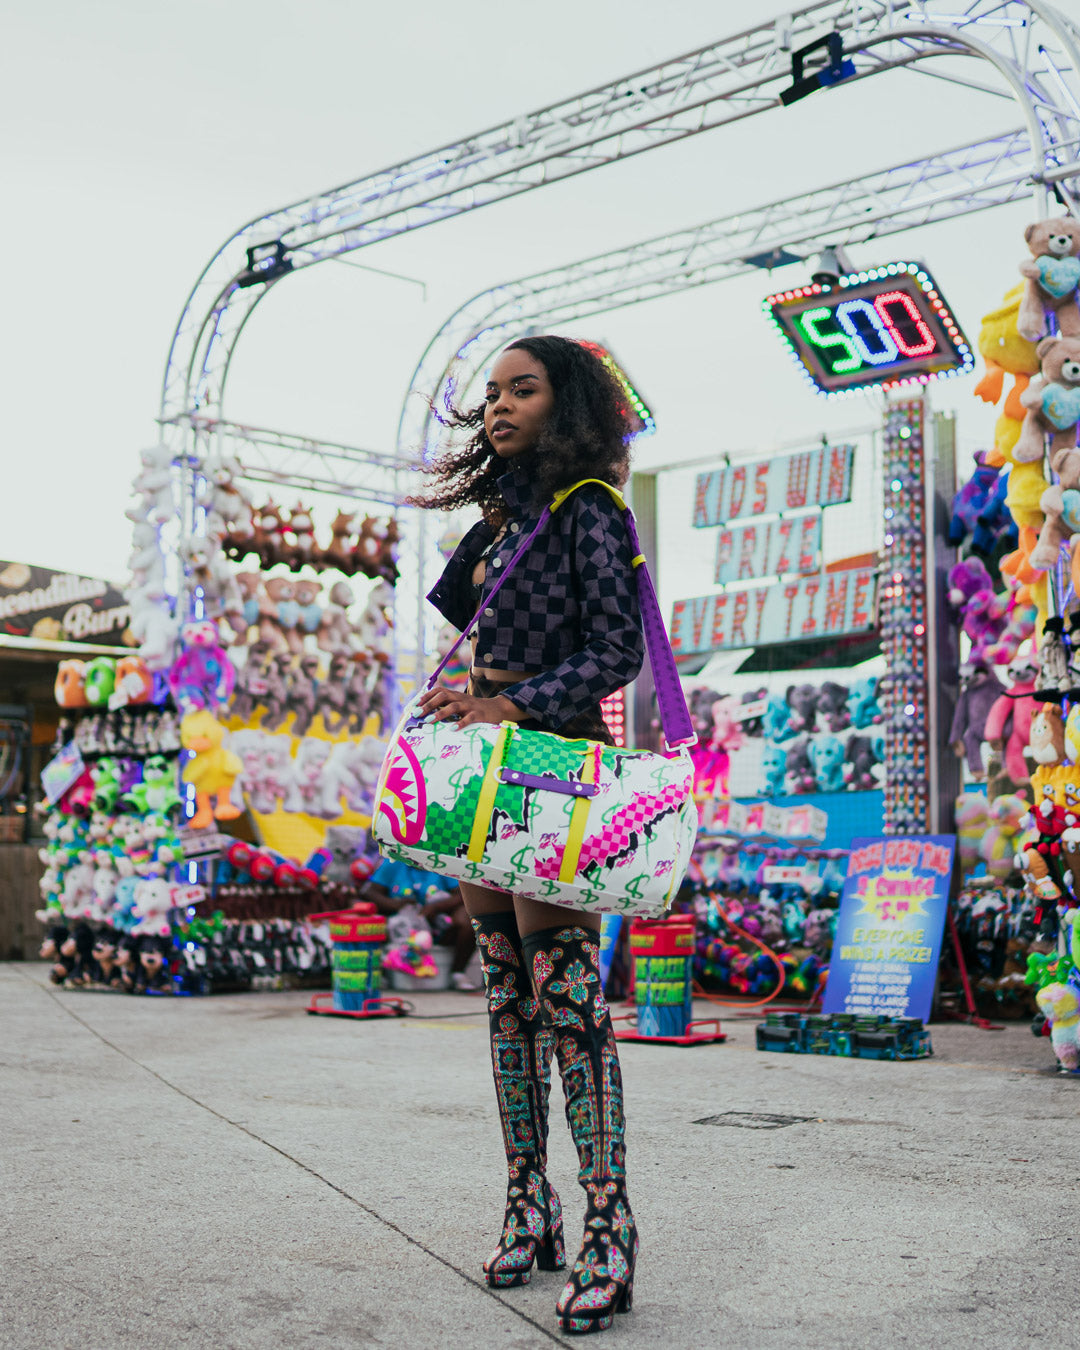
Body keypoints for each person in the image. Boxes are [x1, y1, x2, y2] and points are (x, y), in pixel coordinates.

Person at [412, 335, 643, 1335]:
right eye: (491, 394)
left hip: (555, 761)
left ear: (569, 403)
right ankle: (527, 1202)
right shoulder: (503, 520)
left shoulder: (593, 508)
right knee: (505, 990)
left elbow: (619, 646)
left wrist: (522, 704)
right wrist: (464, 691)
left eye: (524, 389)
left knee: (568, 995)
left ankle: (607, 1226)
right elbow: (473, 627)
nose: (500, 406)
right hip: (482, 770)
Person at [360, 858, 478, 989]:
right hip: (400, 928)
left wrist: (435, 907)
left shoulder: (442, 860)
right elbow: (369, 892)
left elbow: (462, 894)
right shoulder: (393, 861)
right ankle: (380, 973)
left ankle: (458, 973)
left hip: (437, 927)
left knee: (467, 918)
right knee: (370, 920)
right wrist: (395, 904)